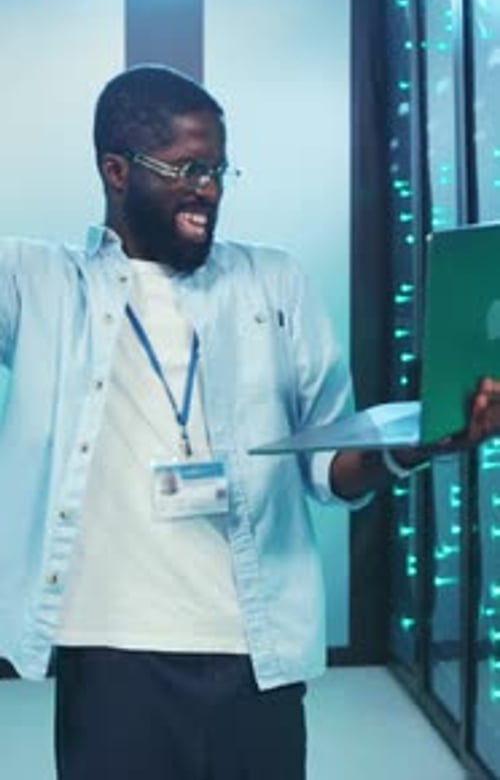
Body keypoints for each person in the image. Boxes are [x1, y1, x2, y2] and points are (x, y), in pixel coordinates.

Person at [0, 64, 499, 780]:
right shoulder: (39, 285)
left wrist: (419, 445)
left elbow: (331, 468)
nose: (208, 188)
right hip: (110, 654)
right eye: (186, 167)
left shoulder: (275, 281)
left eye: (219, 168)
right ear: (116, 169)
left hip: (252, 652)